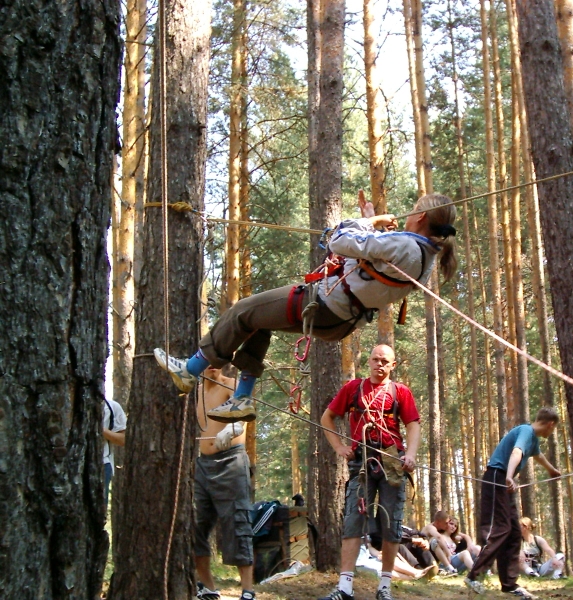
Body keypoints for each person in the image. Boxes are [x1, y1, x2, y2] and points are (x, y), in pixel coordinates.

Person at [153, 192, 457, 423]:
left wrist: (368, 222)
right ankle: (242, 398)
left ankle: (191, 370)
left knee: (242, 311)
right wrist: (372, 223)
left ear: (420, 216)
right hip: (340, 320)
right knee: (259, 321)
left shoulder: (406, 245)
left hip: (323, 304)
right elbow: (376, 257)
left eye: (414, 209)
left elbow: (340, 241)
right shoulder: (425, 256)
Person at [318, 344, 421, 600]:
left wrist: (410, 454)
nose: (379, 364)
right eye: (376, 359)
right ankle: (345, 587)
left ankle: (384, 587)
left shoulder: (400, 392)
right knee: (353, 520)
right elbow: (327, 417)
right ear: (370, 362)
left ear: (393, 365)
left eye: (385, 361)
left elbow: (413, 424)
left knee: (391, 523)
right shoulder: (353, 389)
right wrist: (339, 447)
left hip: (392, 462)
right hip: (361, 462)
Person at [464, 407, 561, 598]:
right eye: (554, 428)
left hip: (504, 481)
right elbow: (517, 452)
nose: (552, 432)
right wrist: (509, 476)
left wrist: (551, 470)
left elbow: (538, 455)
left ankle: (509, 584)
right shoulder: (526, 431)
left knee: (514, 532)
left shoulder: (533, 439)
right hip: (497, 477)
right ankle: (474, 576)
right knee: (500, 528)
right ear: (550, 424)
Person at [194, 367, 256, 600]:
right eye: (208, 358)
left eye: (218, 359)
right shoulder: (196, 392)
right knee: (194, 523)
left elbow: (244, 413)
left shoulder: (232, 384)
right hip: (202, 464)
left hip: (231, 461)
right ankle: (207, 586)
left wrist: (233, 427)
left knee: (237, 522)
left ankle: (247, 591)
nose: (213, 364)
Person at [102, 398, 127, 510]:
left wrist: (101, 430)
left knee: (98, 509)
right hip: (68, 463)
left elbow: (123, 439)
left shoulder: (112, 406)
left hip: (103, 465)